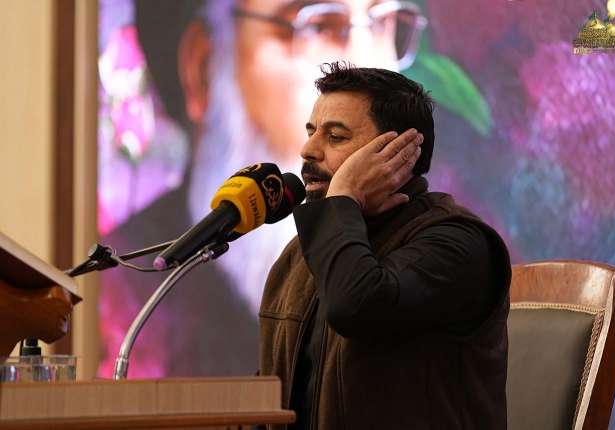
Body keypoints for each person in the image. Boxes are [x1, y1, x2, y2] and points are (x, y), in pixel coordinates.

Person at [98, 0, 428, 378]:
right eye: (318, 26)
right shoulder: (121, 293)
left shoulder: (441, 240)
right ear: (203, 68)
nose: (369, 65)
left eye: (383, 23)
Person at [257, 62, 511, 429]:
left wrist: (344, 195)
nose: (307, 150)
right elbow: (270, 400)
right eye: (310, 133)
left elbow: (355, 306)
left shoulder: (458, 243)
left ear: (398, 154)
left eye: (336, 137)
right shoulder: (300, 254)